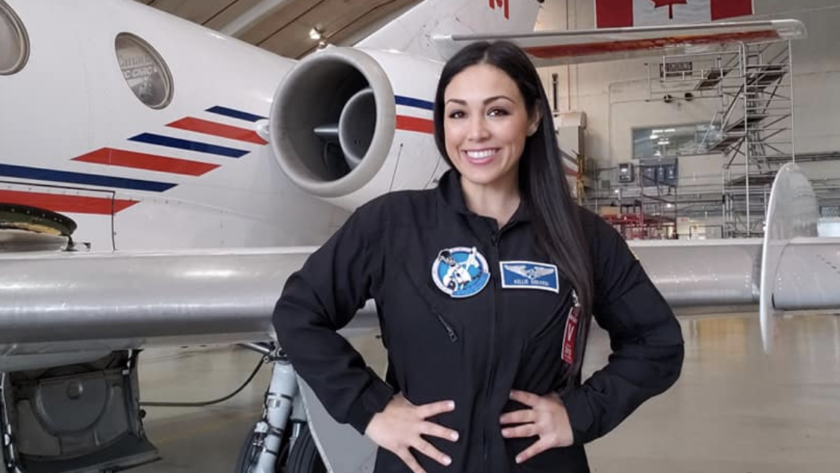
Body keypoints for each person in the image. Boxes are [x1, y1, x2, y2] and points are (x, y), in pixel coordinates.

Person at [273, 41, 684, 473]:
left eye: (497, 111)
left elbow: (657, 342)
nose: (475, 133)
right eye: (458, 113)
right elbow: (300, 313)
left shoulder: (582, 237)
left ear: (533, 118)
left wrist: (579, 413)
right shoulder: (391, 226)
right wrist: (371, 408)